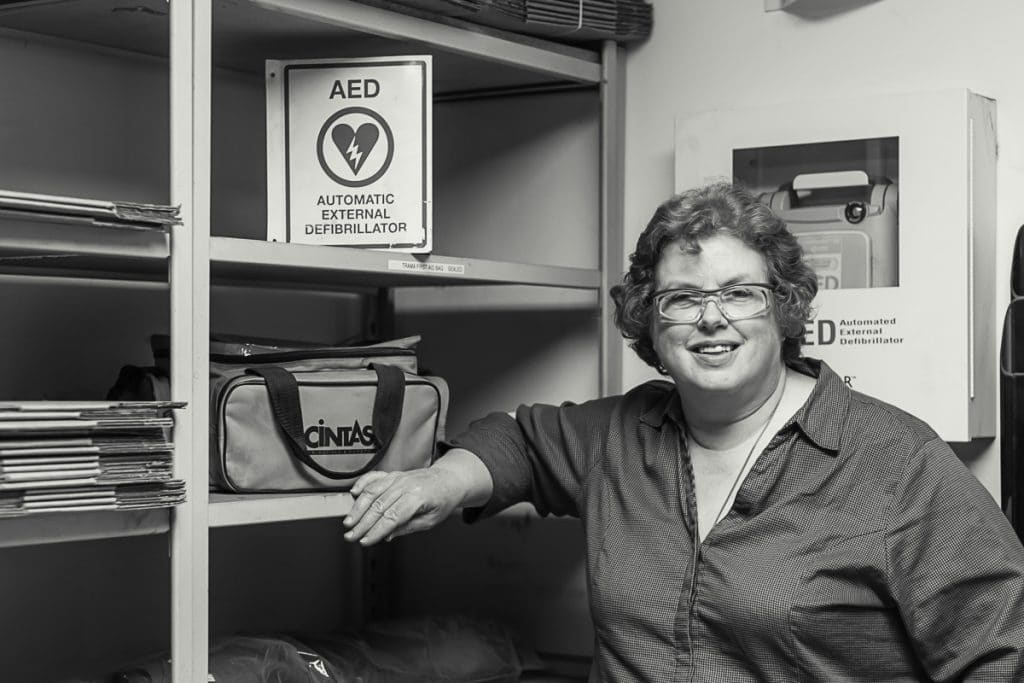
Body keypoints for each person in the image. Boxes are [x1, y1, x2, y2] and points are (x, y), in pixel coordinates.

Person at [342, 181, 1024, 681]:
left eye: (738, 293)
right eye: (682, 299)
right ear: (650, 323)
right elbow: (519, 440)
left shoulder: (894, 462)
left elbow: (1000, 653)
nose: (711, 317)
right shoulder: (621, 434)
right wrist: (438, 481)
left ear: (782, 307)